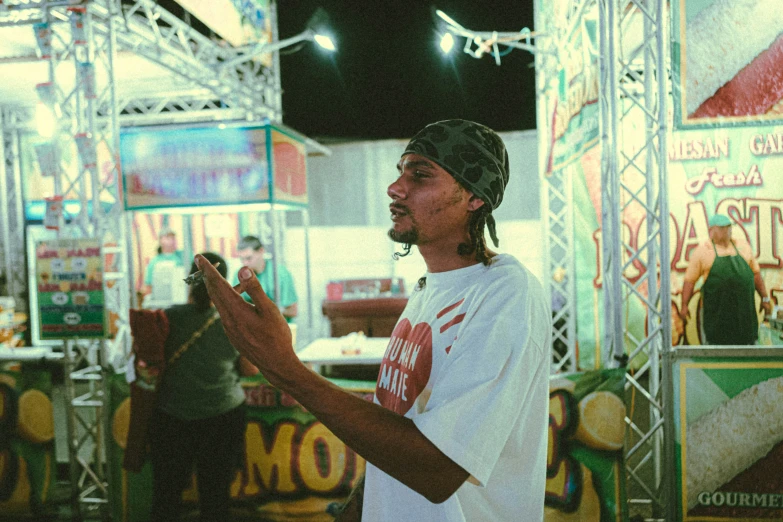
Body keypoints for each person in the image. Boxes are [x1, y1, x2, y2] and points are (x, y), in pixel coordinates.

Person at [196, 120, 550, 521]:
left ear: (473, 196)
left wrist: (286, 369)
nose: (395, 188)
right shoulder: (427, 291)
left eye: (420, 175)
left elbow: (439, 469)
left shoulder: (505, 292)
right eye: (400, 172)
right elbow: (397, 427)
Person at [148, 252, 256, 522]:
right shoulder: (234, 319)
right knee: (215, 495)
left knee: (167, 493)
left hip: (172, 416)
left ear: (190, 278)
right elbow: (249, 369)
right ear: (225, 280)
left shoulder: (168, 317)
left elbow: (148, 361)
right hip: (223, 414)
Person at [679, 214, 773, 344]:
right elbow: (689, 281)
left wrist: (765, 299)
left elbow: (756, 274)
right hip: (717, 318)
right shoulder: (702, 251)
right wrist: (684, 306)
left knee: (747, 353)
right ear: (711, 231)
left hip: (744, 316)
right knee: (718, 354)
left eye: (729, 227)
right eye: (722, 228)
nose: (727, 231)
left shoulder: (743, 246)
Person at [234, 235, 298, 322]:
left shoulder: (280, 274)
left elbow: (293, 311)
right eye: (242, 259)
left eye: (249, 258)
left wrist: (266, 310)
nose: (245, 263)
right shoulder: (240, 275)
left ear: (261, 251)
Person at [141, 227, 184, 300]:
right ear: (161, 241)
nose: (173, 241)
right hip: (160, 299)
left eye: (173, 238)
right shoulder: (154, 262)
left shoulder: (182, 257)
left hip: (180, 298)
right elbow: (149, 285)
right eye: (168, 238)